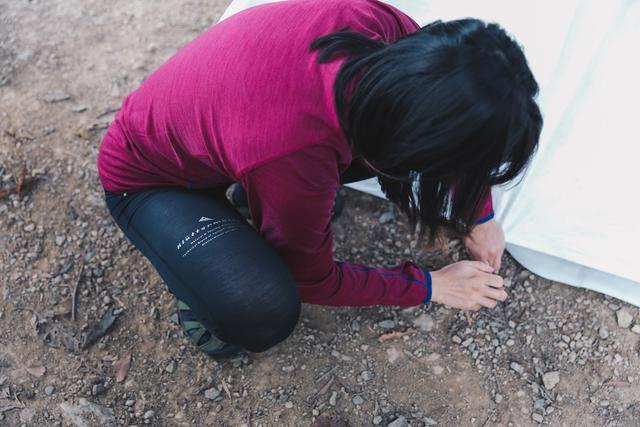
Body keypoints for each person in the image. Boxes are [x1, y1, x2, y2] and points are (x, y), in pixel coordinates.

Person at [97, 0, 542, 357]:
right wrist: (432, 286)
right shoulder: (296, 148)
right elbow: (314, 279)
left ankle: (255, 203)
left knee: (311, 197)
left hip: (229, 142)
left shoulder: (396, 40)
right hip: (149, 181)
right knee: (258, 308)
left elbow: (460, 120)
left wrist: (480, 215)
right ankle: (203, 281)